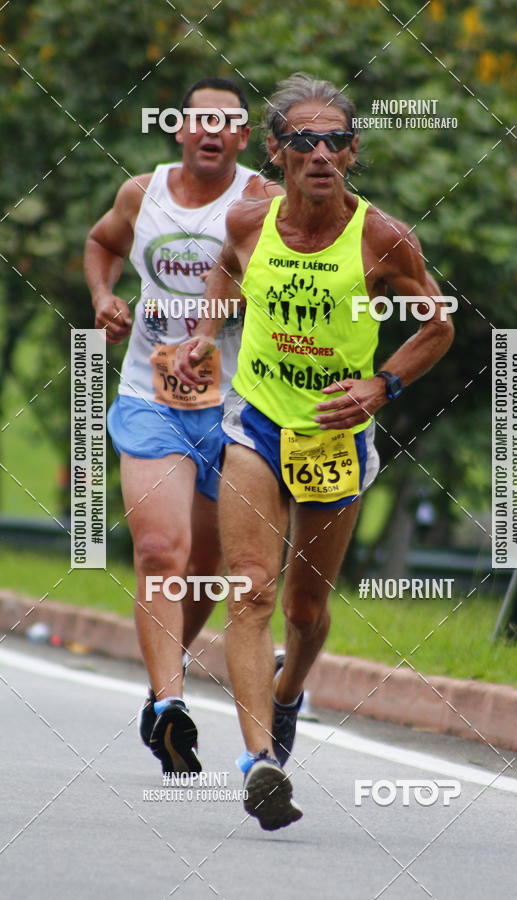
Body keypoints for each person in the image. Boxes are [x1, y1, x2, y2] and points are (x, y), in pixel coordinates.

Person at [174, 72, 454, 828]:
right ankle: (259, 761)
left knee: (304, 609)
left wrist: (381, 387)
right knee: (250, 590)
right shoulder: (247, 221)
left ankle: (290, 689)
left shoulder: (383, 237)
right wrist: (206, 335)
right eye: (304, 139)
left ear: (352, 152)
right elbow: (227, 272)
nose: (321, 152)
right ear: (277, 152)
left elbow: (437, 326)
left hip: (336, 434)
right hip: (257, 422)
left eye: (335, 140)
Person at [84, 77, 283, 775]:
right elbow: (100, 242)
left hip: (237, 408)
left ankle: (157, 690)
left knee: (204, 569)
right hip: (151, 396)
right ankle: (171, 705)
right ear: (178, 127)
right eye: (200, 119)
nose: (211, 132)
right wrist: (104, 297)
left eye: (227, 123)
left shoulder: (264, 203)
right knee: (161, 551)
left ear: (243, 138)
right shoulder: (143, 194)